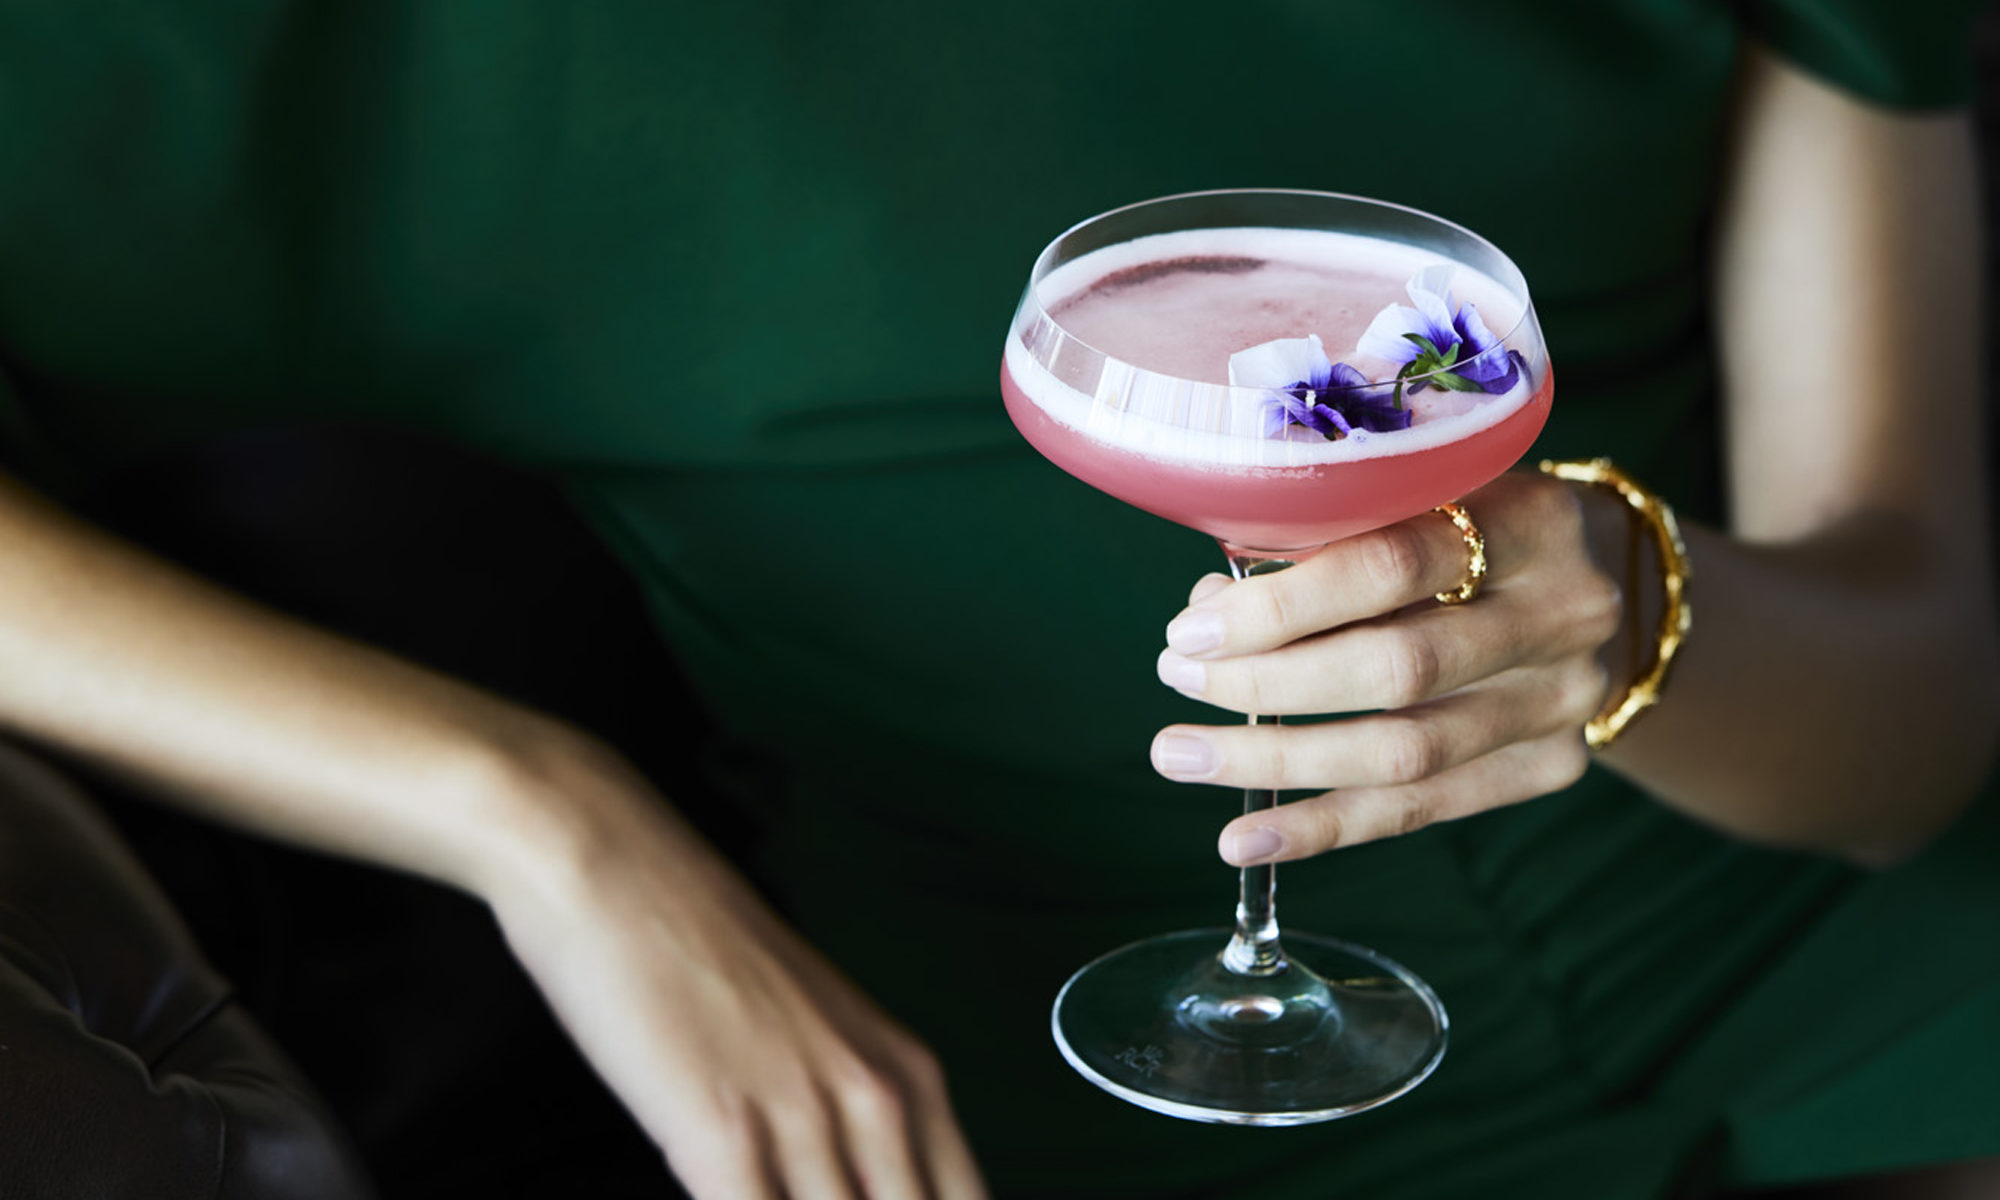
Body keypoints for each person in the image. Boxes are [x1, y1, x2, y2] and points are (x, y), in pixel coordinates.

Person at [0, 2, 1996, 1197]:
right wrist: (531, 811)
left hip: (1857, 971)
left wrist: (1628, 606)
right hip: (1062, 1074)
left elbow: (1909, 734)